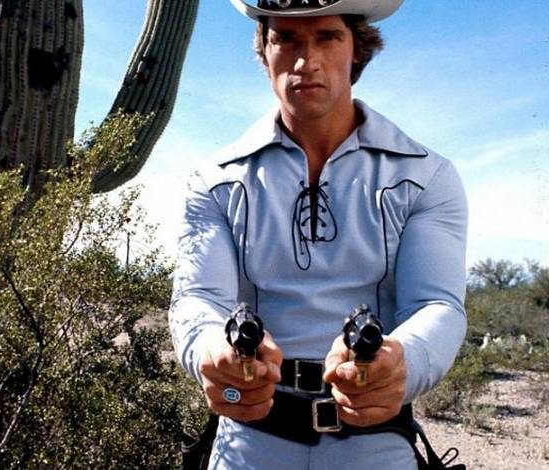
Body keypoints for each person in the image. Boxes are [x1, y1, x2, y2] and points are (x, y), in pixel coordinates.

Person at [169, 1, 468, 469]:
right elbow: (198, 297)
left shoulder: (424, 176)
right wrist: (211, 349)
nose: (305, 61)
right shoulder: (215, 181)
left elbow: (436, 304)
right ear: (264, 51)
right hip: (247, 443)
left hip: (375, 446)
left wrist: (401, 362)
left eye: (327, 37)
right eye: (285, 39)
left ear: (357, 49)